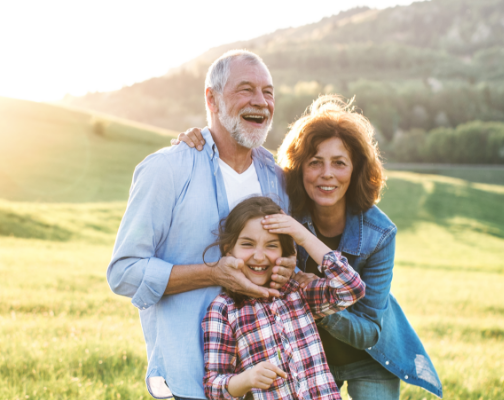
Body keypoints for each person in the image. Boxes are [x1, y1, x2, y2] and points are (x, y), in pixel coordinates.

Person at [173, 95, 444, 399]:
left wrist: (310, 297)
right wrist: (200, 143)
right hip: (306, 359)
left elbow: (367, 326)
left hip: (367, 355)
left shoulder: (378, 234)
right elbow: (238, 170)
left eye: (339, 163)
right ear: (299, 168)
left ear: (355, 169)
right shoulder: (281, 207)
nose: (327, 173)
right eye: (315, 162)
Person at [107, 50, 298, 400]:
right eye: (246, 89)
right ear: (212, 99)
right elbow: (124, 273)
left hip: (271, 382)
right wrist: (212, 273)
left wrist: (288, 266)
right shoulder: (167, 170)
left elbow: (284, 258)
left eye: (268, 92)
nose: (261, 101)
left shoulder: (277, 178)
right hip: (190, 379)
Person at [202, 196, 364, 400]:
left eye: (271, 245)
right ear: (228, 249)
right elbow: (213, 388)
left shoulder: (297, 291)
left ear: (283, 251)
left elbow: (351, 288)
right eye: (247, 244)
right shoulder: (223, 309)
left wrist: (303, 237)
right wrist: (246, 379)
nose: (259, 256)